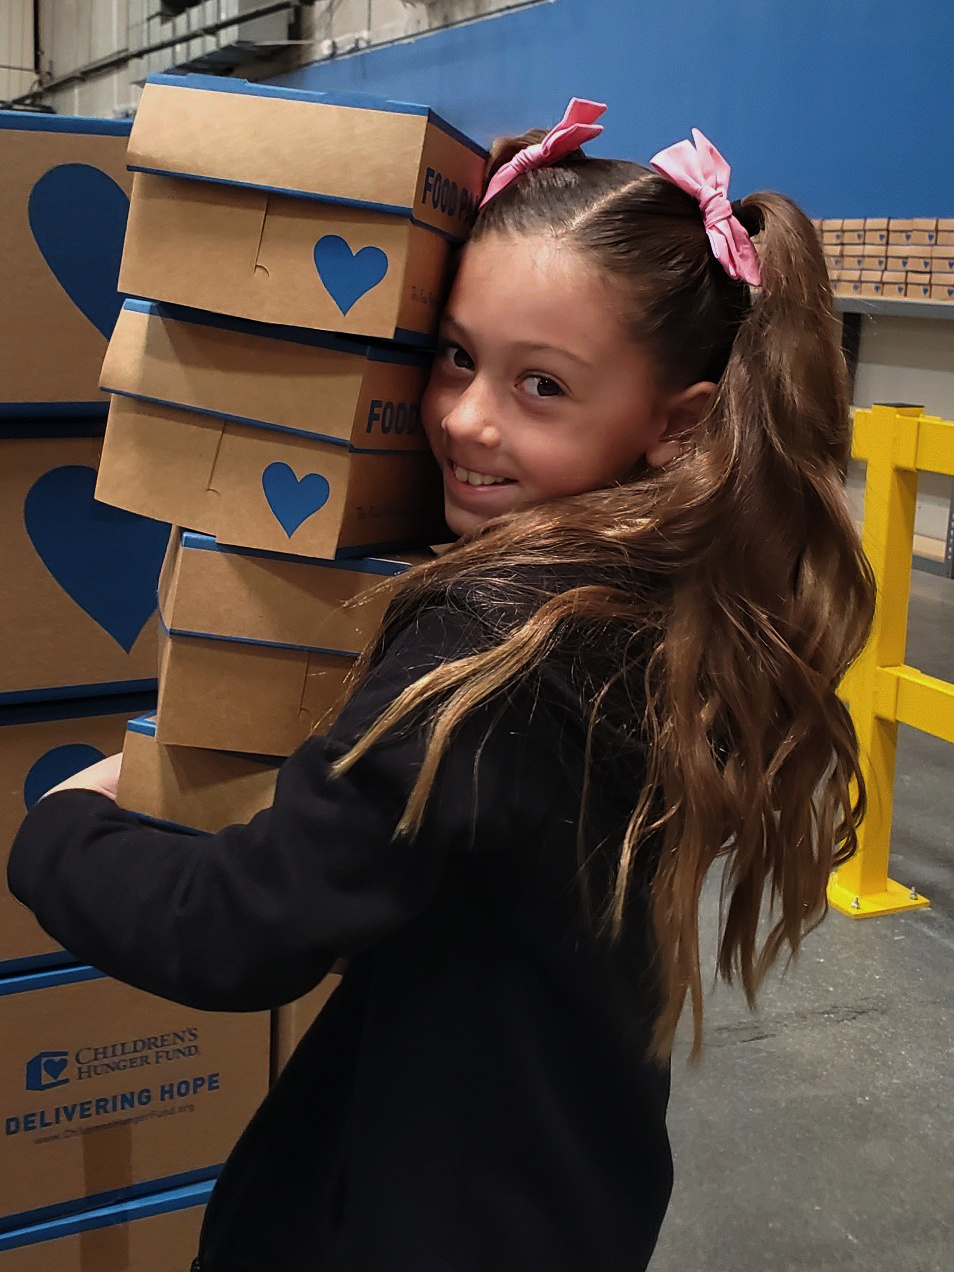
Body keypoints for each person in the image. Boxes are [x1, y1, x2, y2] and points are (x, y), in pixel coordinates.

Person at [8, 100, 875, 1272]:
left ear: (679, 426)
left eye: (544, 389)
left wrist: (61, 827)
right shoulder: (676, 596)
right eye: (459, 357)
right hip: (568, 1179)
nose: (466, 420)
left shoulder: (497, 649)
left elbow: (240, 928)